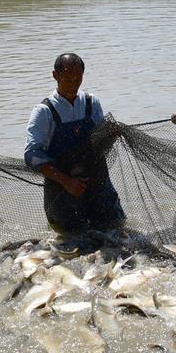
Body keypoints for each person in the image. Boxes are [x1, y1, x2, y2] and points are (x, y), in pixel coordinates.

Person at [24, 53, 125, 234]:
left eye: (77, 78)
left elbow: (98, 141)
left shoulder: (91, 102)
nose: (72, 83)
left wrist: (110, 135)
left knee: (116, 234)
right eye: (66, 78)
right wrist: (67, 182)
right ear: (55, 76)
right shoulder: (44, 112)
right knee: (73, 241)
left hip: (99, 188)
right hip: (63, 195)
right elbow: (32, 156)